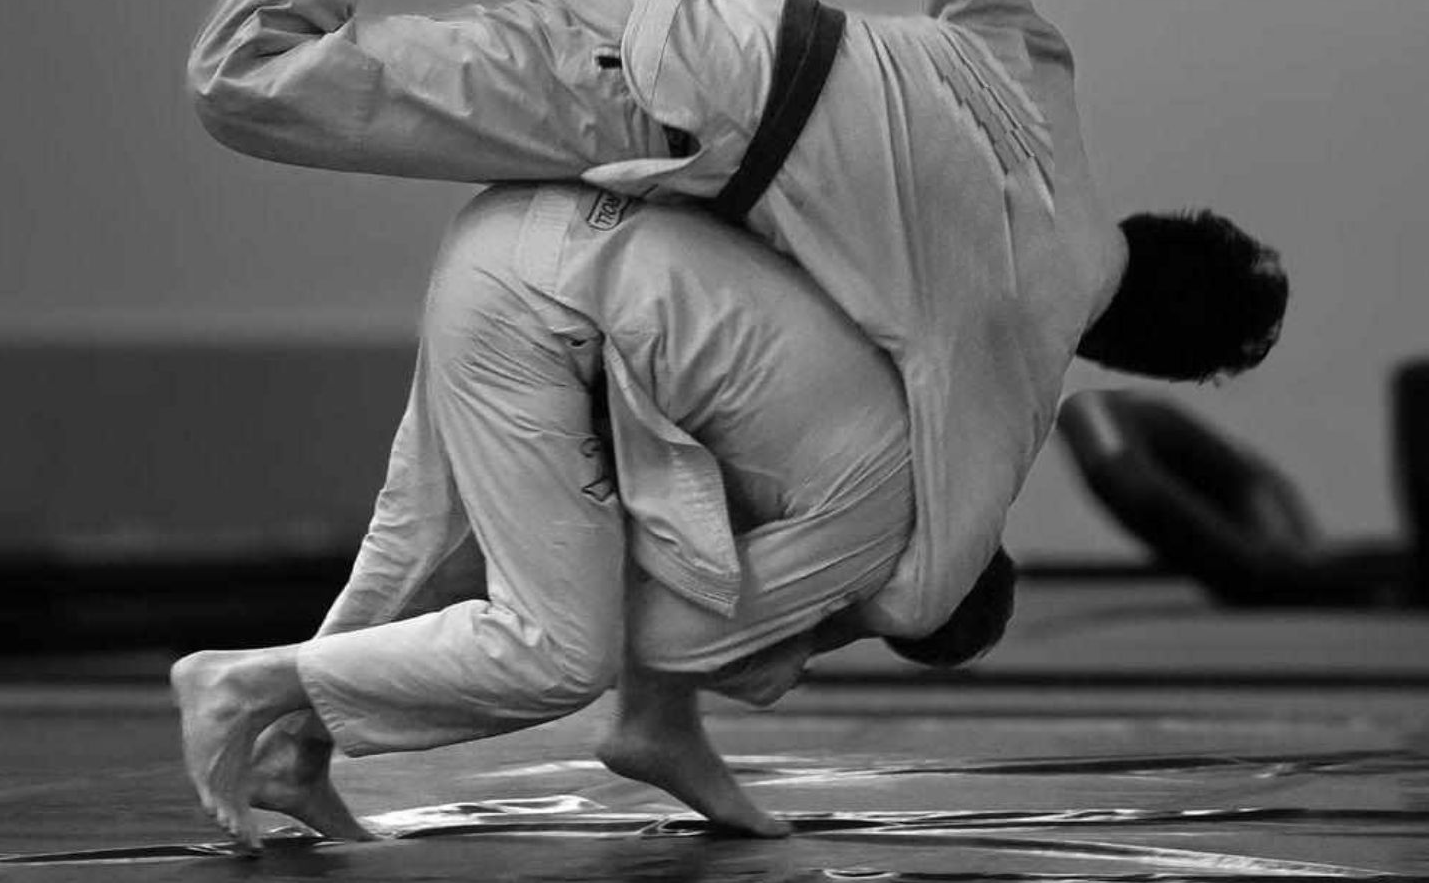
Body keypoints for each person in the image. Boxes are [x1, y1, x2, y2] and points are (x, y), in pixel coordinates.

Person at [188, 0, 1287, 644]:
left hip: (666, 39)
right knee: (248, 80)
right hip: (655, 103)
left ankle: (323, 688)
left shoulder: (1043, 80)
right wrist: (835, 616)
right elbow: (918, 601)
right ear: (1133, 359)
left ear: (1152, 224)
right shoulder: (1016, 359)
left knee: (466, 464)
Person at [171, 184, 1014, 851]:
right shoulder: (880, 528)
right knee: (561, 650)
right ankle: (239, 684)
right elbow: (666, 638)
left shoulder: (923, 425)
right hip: (546, 310)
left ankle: (293, 752)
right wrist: (789, 645)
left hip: (520, 232)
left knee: (428, 538)